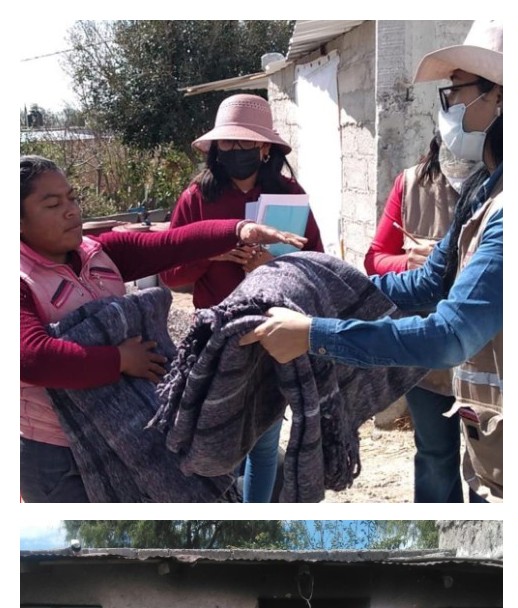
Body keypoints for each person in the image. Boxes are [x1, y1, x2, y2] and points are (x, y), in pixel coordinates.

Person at [239, 20, 504, 503]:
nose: (447, 108)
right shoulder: (482, 197)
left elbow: (448, 334)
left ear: (498, 98)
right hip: (483, 417)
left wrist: (314, 333)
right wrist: (317, 288)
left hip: (497, 414)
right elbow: (424, 283)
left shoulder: (503, 211)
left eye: (455, 93)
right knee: (437, 461)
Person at [19, 155, 307, 503]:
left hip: (122, 429)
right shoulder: (20, 279)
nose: (71, 210)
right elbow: (30, 358)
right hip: (57, 451)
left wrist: (238, 230)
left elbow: (173, 243)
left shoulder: (99, 253)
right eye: (52, 204)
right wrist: (119, 360)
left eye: (72, 198)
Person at [161, 94, 324, 503]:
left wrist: (272, 265)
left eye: (243, 143)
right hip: (215, 337)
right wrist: (209, 254)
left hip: (273, 332)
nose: (233, 151)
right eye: (226, 144)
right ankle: (227, 512)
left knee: (264, 444)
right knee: (219, 443)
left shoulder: (289, 194)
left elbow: (317, 263)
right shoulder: (196, 199)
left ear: (264, 148)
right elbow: (169, 273)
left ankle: (255, 516)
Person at [364, 133, 473, 504]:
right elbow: (375, 258)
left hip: (485, 358)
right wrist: (408, 263)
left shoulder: (498, 187)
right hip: (425, 359)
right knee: (434, 456)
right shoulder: (410, 183)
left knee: (486, 468)